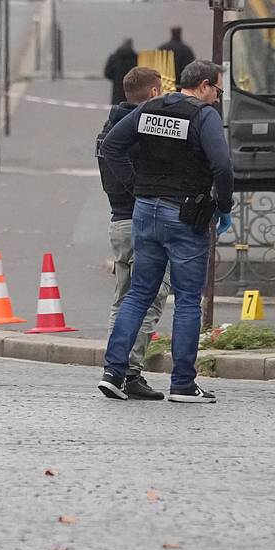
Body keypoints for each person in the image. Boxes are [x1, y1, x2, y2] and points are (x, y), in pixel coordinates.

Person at [98, 59, 234, 403]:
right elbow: (222, 164)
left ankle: (114, 373)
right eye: (217, 90)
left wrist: (135, 186)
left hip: (145, 211)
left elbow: (111, 146)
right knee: (188, 300)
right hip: (185, 214)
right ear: (203, 85)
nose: (217, 98)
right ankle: (183, 384)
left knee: (139, 293)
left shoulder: (150, 109)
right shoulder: (204, 116)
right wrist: (224, 206)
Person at [96, 66, 172, 400]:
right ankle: (129, 371)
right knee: (150, 299)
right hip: (144, 220)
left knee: (122, 300)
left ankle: (113, 368)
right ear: (154, 92)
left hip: (118, 221)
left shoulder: (107, 129)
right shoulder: (146, 130)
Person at [103, 38, 139, 104]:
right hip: (131, 91)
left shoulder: (114, 58)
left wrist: (116, 78)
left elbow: (107, 73)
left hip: (117, 90)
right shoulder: (135, 58)